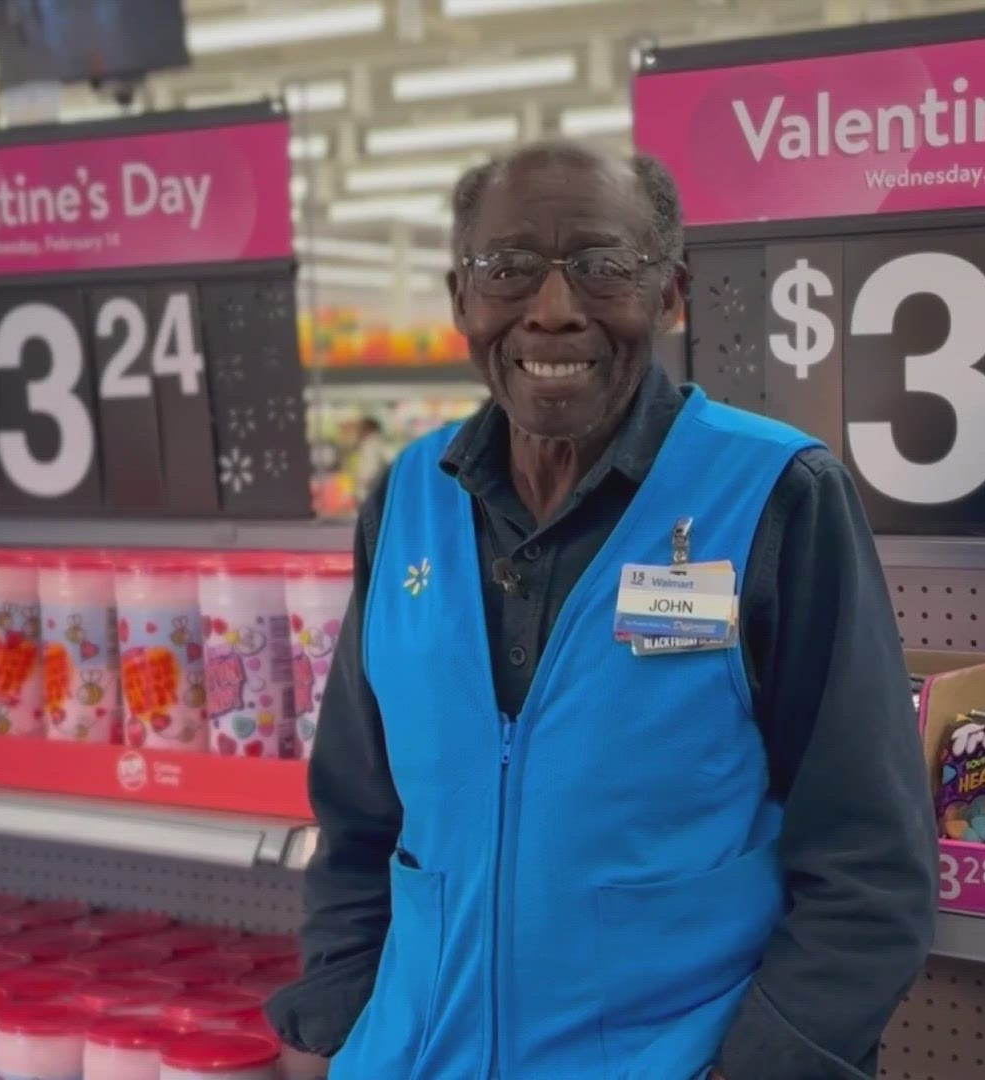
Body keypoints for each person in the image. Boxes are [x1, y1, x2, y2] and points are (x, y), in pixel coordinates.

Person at [265, 140, 937, 1080]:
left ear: (668, 295)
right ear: (462, 298)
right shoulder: (408, 501)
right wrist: (334, 1019)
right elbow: (359, 815)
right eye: (507, 270)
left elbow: (870, 868)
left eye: (603, 267)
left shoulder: (775, 495)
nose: (552, 309)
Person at [346, 414, 391, 502]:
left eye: (362, 427)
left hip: (369, 490)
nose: (359, 431)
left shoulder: (373, 443)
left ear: (368, 429)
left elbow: (369, 471)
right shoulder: (366, 444)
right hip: (367, 490)